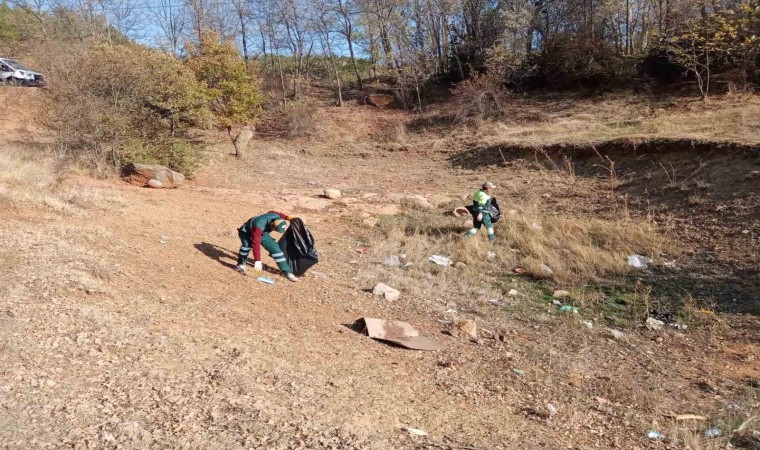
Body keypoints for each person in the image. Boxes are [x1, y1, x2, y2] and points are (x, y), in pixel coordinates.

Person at [236, 211, 299, 282]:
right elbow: (255, 244)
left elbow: (273, 212)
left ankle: (287, 272)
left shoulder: (276, 217)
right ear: (272, 225)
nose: (276, 231)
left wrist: (288, 217)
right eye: (276, 229)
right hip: (246, 232)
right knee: (246, 246)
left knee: (276, 250)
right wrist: (257, 261)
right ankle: (241, 264)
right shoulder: (258, 225)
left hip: (263, 233)